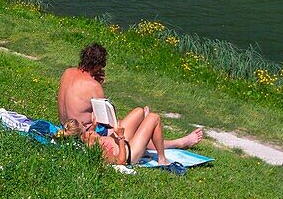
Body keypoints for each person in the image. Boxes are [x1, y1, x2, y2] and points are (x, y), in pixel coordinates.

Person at [58, 43, 202, 151]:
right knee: (134, 130)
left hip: (66, 126)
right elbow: (107, 120)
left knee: (132, 123)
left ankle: (160, 131)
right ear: (97, 66)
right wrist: (99, 84)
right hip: (84, 133)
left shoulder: (67, 72)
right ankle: (178, 143)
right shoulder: (93, 86)